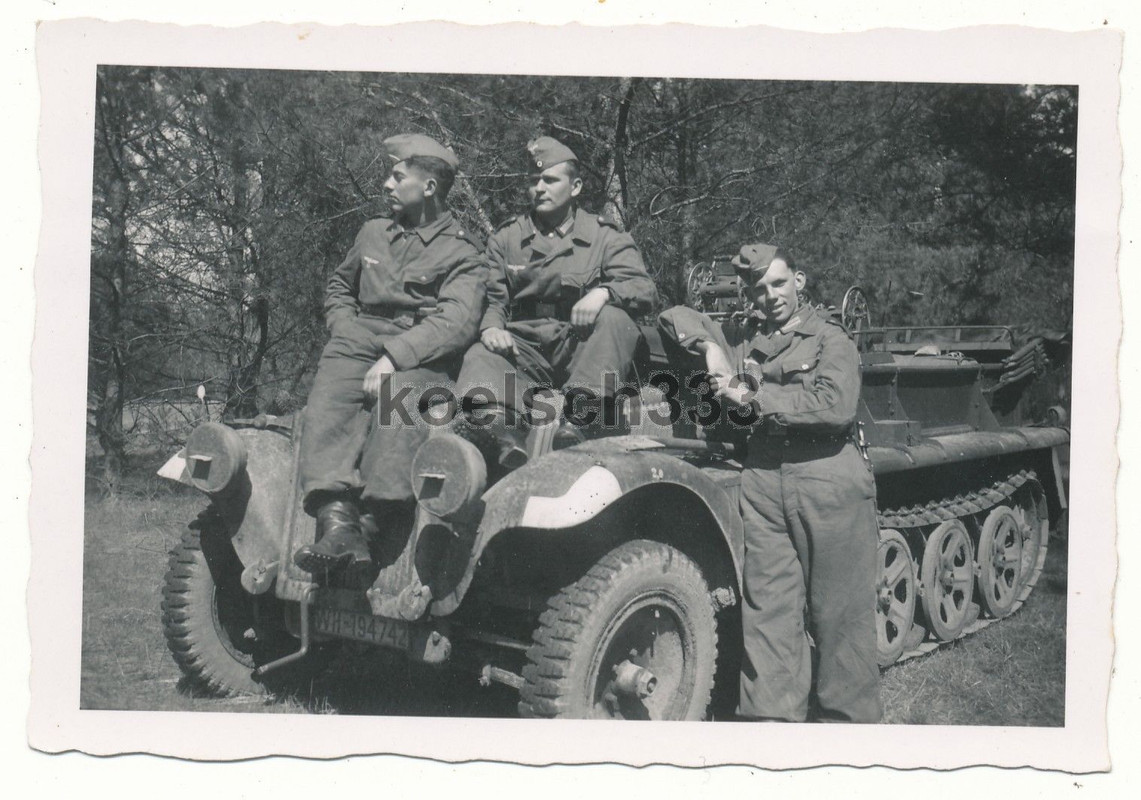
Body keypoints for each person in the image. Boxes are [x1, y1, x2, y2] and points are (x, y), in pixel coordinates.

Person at [658, 243, 882, 723]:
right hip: (762, 480)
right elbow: (673, 316)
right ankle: (771, 736)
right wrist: (711, 346)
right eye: (758, 289)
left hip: (826, 475)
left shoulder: (829, 336)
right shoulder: (743, 336)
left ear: (798, 281)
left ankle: (847, 734)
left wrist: (751, 397)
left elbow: (834, 404)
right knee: (769, 618)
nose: (770, 296)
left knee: (841, 619)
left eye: (778, 283)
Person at [294, 133, 486, 576]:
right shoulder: (372, 233)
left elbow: (457, 321)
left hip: (422, 354)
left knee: (397, 403)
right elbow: (340, 286)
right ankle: (336, 526)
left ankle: (372, 526)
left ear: (429, 187)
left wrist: (395, 357)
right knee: (327, 400)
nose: (386, 184)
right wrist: (345, 329)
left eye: (397, 176)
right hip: (359, 339)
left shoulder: (463, 251)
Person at [455, 136, 655, 452]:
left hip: (581, 346)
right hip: (525, 348)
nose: (540, 188)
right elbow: (494, 297)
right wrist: (492, 326)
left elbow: (642, 289)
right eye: (534, 181)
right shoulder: (507, 238)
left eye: (550, 180)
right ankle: (498, 429)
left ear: (575, 187)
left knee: (616, 318)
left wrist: (604, 292)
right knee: (481, 352)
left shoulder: (604, 236)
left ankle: (581, 417)